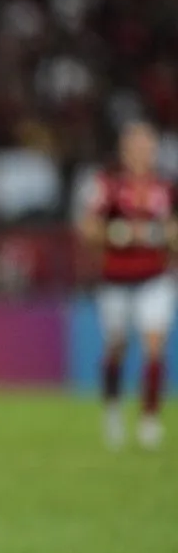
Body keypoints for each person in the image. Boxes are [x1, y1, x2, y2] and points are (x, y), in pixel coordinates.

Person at [79, 121, 177, 449]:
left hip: (155, 277)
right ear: (124, 150)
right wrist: (116, 234)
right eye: (135, 145)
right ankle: (113, 411)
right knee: (117, 347)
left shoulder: (166, 186)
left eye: (146, 146)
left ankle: (149, 420)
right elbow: (88, 228)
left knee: (154, 346)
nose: (141, 152)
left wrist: (160, 235)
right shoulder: (107, 184)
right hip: (116, 279)